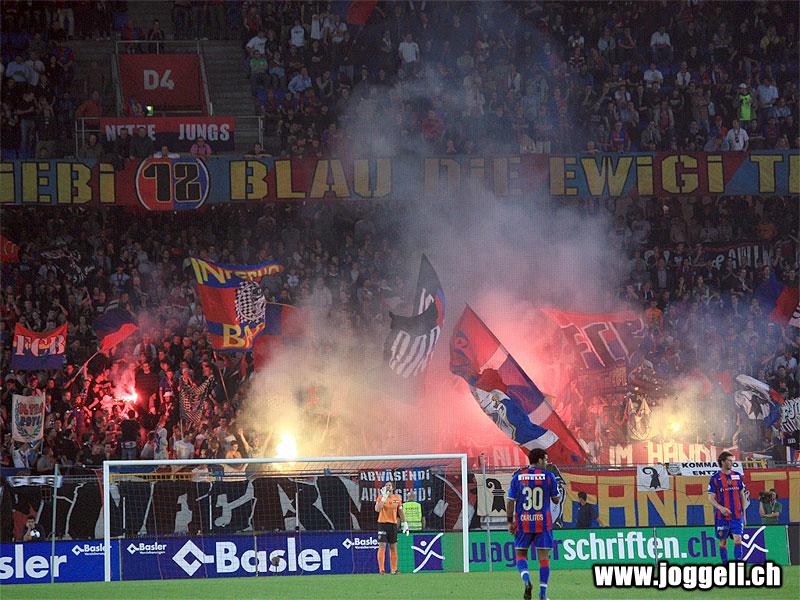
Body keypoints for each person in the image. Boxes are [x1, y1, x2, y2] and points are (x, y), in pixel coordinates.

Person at [506, 448, 560, 600]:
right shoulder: (549, 476)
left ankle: (526, 580)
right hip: (543, 524)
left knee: (521, 555)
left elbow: (510, 501)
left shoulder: (518, 477)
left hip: (523, 523)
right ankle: (543, 594)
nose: (547, 463)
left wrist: (510, 521)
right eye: (546, 460)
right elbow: (556, 499)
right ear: (540, 460)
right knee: (544, 558)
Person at [707, 451, 746, 563]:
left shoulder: (737, 476)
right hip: (722, 517)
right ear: (723, 462)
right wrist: (721, 508)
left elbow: (742, 495)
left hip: (736, 516)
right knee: (723, 542)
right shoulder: (715, 478)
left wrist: (744, 514)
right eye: (729, 460)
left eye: (732, 460)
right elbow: (710, 498)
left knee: (738, 539)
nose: (732, 462)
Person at [374, 480, 409, 575]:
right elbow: (377, 509)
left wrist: (405, 523)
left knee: (393, 546)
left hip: (393, 524)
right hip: (382, 524)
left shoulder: (397, 498)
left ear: (393, 488)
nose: (388, 486)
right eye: (386, 485)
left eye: (390, 485)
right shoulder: (380, 497)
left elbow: (400, 511)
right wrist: (384, 498)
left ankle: (394, 570)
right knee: (382, 545)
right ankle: (382, 570)